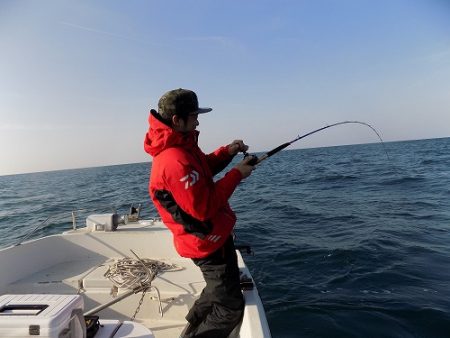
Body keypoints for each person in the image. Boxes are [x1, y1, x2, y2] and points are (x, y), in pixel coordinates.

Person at [143, 88, 255, 337]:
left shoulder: (183, 147)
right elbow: (203, 208)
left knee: (216, 290)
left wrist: (227, 152)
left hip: (213, 237)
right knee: (229, 307)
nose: (198, 120)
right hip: (206, 243)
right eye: (194, 115)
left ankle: (190, 328)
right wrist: (237, 174)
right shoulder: (173, 160)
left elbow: (202, 169)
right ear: (177, 120)